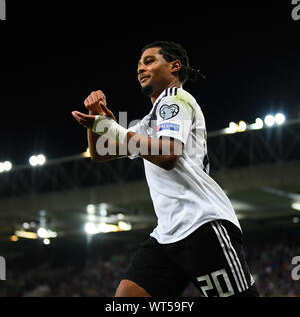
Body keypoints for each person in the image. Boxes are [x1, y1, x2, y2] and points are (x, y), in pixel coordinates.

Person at [72, 41, 259, 297]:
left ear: (174, 66)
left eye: (149, 61)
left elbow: (168, 154)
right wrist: (98, 122)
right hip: (167, 234)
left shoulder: (176, 98)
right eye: (139, 64)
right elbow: (100, 153)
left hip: (201, 224)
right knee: (127, 298)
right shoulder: (150, 119)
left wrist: (110, 128)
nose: (140, 68)